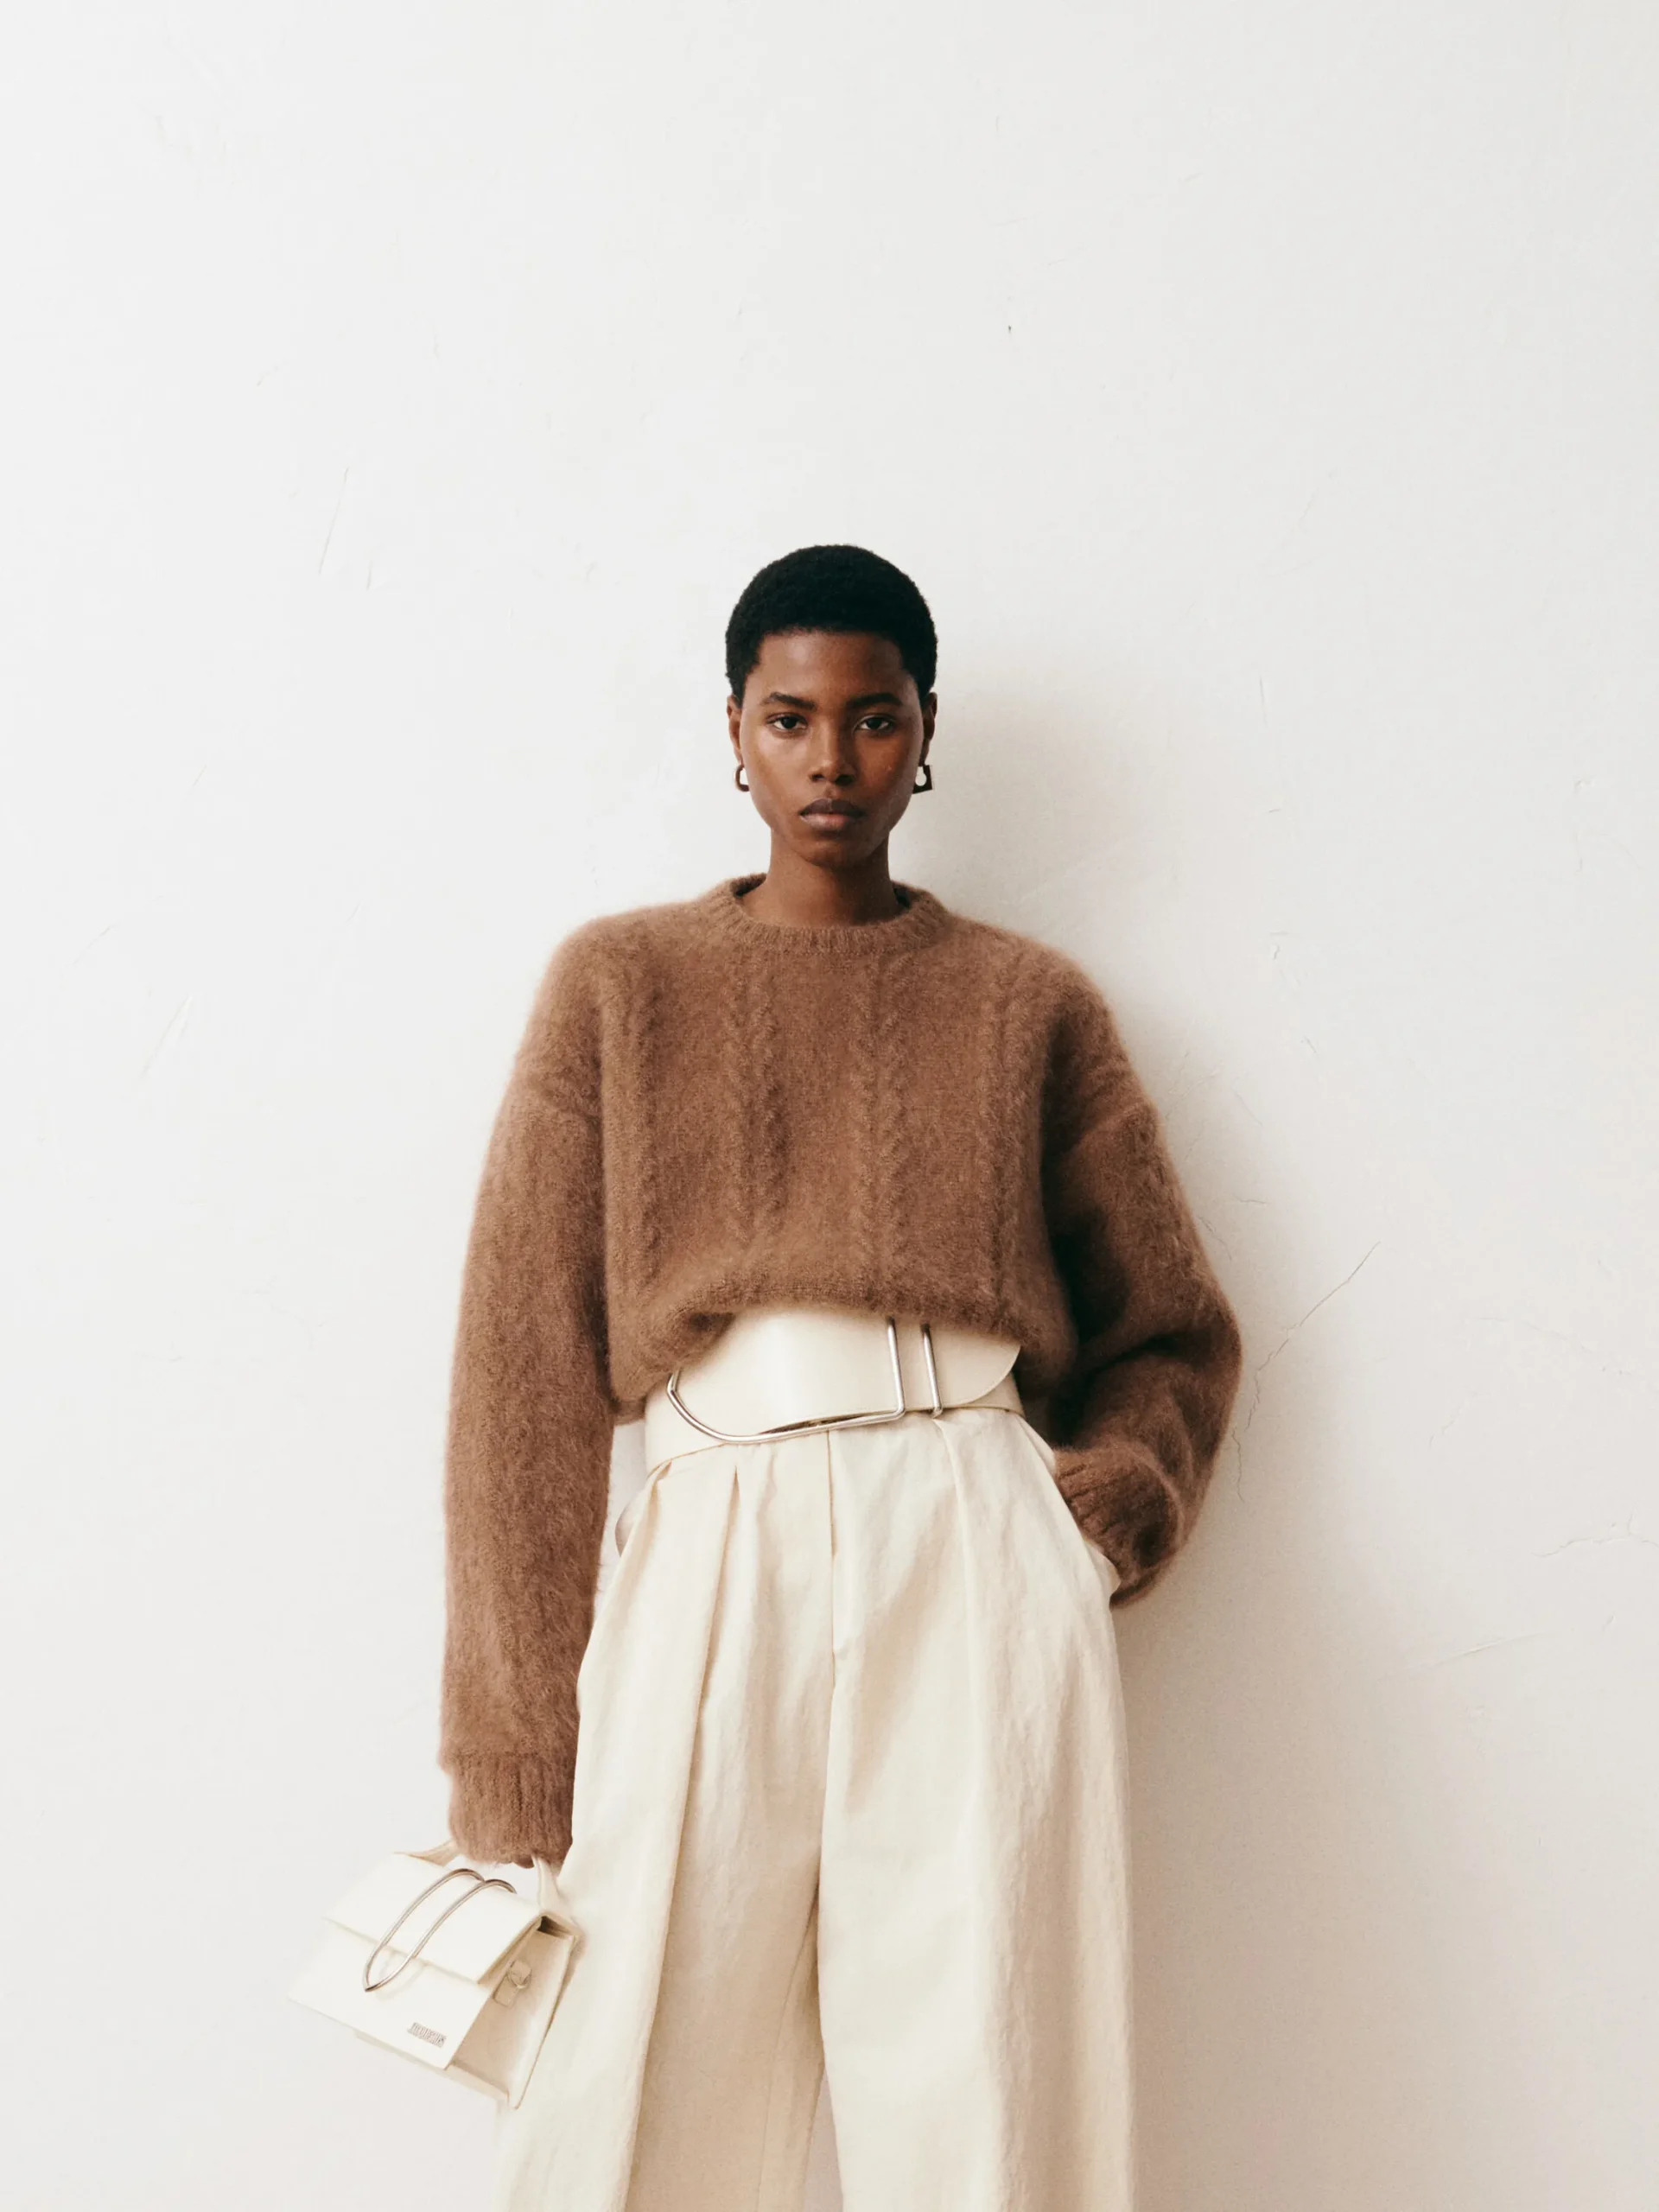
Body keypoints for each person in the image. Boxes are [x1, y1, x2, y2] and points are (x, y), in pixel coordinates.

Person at [436, 543, 1244, 2212]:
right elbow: (521, 1378)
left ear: (924, 733)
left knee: (984, 2083)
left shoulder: (1030, 1006)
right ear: (734, 731)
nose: (831, 761)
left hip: (974, 1532)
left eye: (873, 719)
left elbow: (1171, 1329)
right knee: (628, 2086)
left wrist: (1097, 1515)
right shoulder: (618, 987)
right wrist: (515, 1752)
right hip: (715, 1527)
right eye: (790, 719)